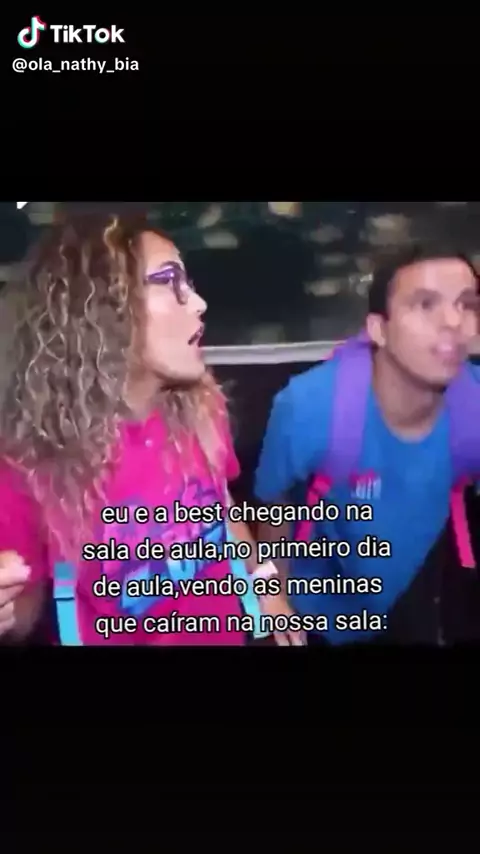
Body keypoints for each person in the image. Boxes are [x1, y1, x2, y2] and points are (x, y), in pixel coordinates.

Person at [0, 212, 299, 646]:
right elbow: (24, 609)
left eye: (188, 283)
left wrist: (266, 585)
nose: (199, 303)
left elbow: (221, 503)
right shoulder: (28, 463)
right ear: (102, 310)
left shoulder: (202, 410)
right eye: (168, 280)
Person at [254, 244, 480, 645]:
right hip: (319, 610)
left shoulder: (474, 408)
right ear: (378, 329)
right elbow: (274, 511)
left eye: (467, 304)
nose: (453, 321)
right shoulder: (307, 410)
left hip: (414, 589)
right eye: (425, 304)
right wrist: (276, 601)